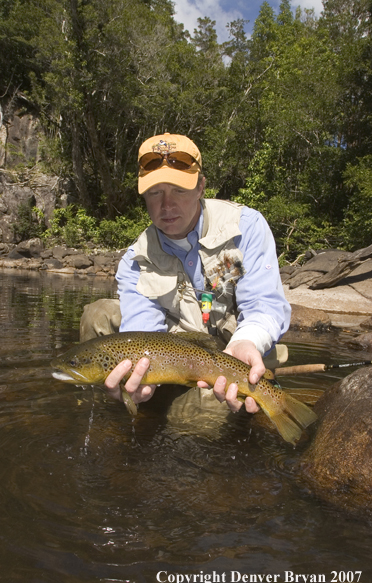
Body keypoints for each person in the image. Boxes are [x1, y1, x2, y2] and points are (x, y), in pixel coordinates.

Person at [80, 133, 291, 415]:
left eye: (179, 190)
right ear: (144, 195)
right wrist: (140, 382)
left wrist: (247, 341)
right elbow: (144, 334)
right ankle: (126, 405)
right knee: (98, 315)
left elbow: (265, 306)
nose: (166, 205)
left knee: (202, 425)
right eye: (155, 192)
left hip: (233, 353)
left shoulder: (246, 227)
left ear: (200, 187)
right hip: (175, 358)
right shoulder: (135, 259)